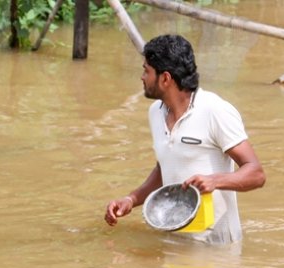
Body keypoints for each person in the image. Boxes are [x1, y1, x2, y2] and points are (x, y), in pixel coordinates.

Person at [104, 34, 266, 244]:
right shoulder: (155, 112)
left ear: (165, 78)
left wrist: (215, 180)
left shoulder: (215, 111)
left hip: (217, 246)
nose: (142, 77)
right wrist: (131, 199)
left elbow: (256, 173)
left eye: (146, 70)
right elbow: (166, 168)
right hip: (174, 240)